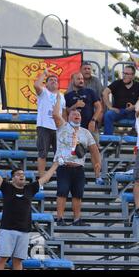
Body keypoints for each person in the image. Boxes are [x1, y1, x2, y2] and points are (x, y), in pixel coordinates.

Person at [0, 147, 57, 270]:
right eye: (18, 174)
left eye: (23, 174)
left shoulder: (30, 188)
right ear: (12, 179)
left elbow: (45, 178)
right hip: (7, 230)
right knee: (2, 259)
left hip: (24, 231)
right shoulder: (7, 187)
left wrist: (56, 164)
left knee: (18, 261)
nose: (22, 176)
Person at [52, 94, 101, 226]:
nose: (77, 115)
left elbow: (94, 150)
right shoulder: (63, 127)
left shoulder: (85, 132)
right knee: (62, 192)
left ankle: (77, 219)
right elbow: (56, 115)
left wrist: (97, 166)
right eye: (73, 114)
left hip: (78, 167)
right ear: (68, 117)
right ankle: (59, 218)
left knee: (78, 194)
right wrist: (58, 100)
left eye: (78, 114)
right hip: (64, 166)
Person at [34, 70, 66, 178]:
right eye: (51, 80)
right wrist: (44, 74)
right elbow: (36, 85)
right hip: (44, 126)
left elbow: (64, 113)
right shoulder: (43, 92)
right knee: (43, 154)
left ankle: (60, 176)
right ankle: (42, 179)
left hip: (58, 128)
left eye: (55, 80)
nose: (54, 81)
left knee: (60, 155)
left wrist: (65, 127)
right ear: (46, 83)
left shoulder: (62, 96)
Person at [102, 65, 139, 135]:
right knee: (108, 114)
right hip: (119, 111)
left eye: (127, 74)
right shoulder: (117, 83)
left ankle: (137, 136)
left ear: (133, 76)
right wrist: (110, 107)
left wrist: (133, 107)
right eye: (123, 73)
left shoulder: (138, 85)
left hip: (133, 112)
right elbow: (105, 93)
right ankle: (108, 139)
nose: (124, 75)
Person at [65, 72, 103, 144]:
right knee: (76, 151)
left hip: (90, 126)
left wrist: (93, 120)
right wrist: (75, 105)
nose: (81, 80)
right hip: (73, 129)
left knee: (95, 150)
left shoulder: (90, 92)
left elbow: (99, 107)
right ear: (72, 80)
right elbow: (66, 112)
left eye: (82, 79)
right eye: (78, 79)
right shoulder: (68, 95)